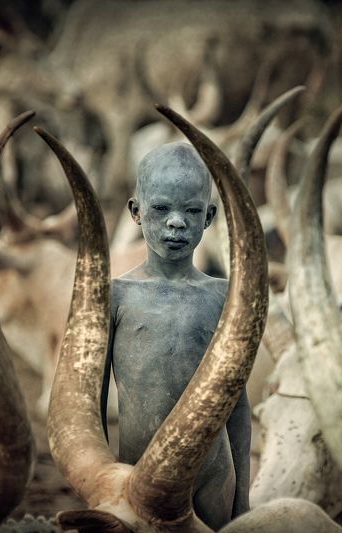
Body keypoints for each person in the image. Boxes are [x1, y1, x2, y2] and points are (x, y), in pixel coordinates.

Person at [102, 141, 251, 529]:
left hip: (214, 478)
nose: (176, 223)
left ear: (209, 217)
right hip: (136, 473)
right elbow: (94, 405)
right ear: (136, 212)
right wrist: (101, 488)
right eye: (161, 209)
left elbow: (237, 404)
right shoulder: (116, 295)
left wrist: (242, 502)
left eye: (191, 210)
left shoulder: (223, 295)